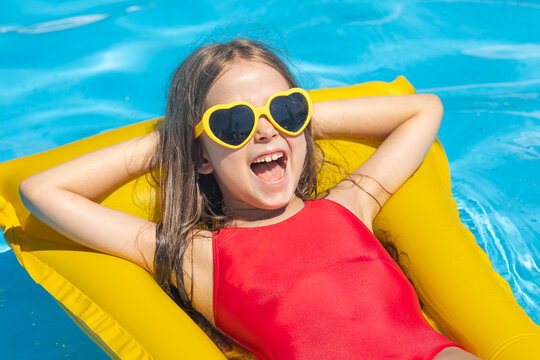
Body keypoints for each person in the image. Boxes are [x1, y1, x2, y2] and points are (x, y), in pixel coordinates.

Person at [19, 38, 481, 360]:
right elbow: (40, 190)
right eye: (233, 125)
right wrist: (178, 142)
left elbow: (425, 109)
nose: (264, 129)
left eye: (285, 109)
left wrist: (292, 122)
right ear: (202, 156)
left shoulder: (350, 204)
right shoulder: (195, 255)